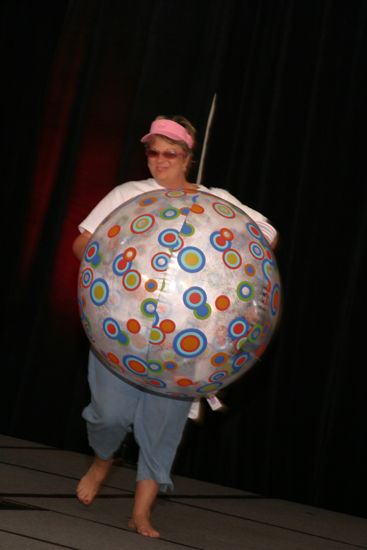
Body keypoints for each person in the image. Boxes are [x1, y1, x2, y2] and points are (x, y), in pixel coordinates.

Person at [72, 115, 278, 538]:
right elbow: (81, 243)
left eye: (171, 153)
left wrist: (223, 234)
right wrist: (116, 253)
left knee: (163, 428)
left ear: (188, 157)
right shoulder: (130, 194)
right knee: (109, 415)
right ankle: (102, 459)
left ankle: (141, 513)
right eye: (153, 152)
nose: (160, 161)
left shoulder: (214, 199)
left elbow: (267, 236)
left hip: (187, 346)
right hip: (119, 334)